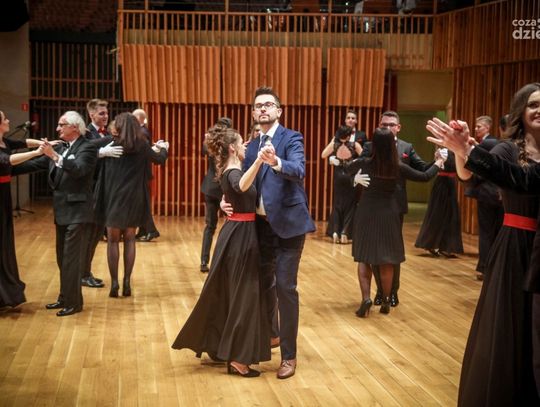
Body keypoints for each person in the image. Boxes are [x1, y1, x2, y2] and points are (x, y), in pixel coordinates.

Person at [425, 82, 540, 405]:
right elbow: (469, 176)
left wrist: (468, 151)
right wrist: (462, 151)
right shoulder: (508, 149)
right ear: (521, 111)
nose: (539, 110)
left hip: (539, 248)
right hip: (516, 245)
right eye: (533, 104)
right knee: (510, 325)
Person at [223, 86, 316, 379]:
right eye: (258, 106)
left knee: (285, 288)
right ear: (253, 113)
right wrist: (226, 200)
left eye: (268, 104)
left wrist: (275, 161)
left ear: (279, 111)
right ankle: (271, 335)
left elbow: (298, 169)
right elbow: (240, 179)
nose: (263, 109)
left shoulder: (292, 138)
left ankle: (289, 356)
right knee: (262, 287)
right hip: (260, 228)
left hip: (289, 227)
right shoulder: (250, 146)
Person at [172, 126, 271, 377]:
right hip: (240, 236)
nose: (246, 146)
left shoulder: (231, 166)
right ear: (232, 149)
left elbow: (235, 190)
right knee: (244, 296)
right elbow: (240, 186)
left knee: (232, 293)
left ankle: (221, 347)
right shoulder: (234, 171)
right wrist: (259, 160)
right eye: (241, 143)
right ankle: (238, 359)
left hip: (238, 232)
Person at [347, 127, 444, 317]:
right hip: (389, 214)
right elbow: (424, 176)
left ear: (374, 144)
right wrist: (439, 163)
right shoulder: (398, 166)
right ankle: (385, 300)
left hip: (366, 212)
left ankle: (366, 298)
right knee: (387, 259)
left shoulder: (365, 163)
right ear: (392, 144)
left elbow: (347, 168)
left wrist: (355, 178)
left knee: (364, 258)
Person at [13, 111, 98, 316]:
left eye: (62, 125)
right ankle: (64, 297)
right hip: (62, 212)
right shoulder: (60, 147)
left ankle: (74, 303)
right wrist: (6, 166)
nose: (57, 128)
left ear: (75, 127)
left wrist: (53, 155)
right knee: (62, 258)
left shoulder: (87, 147)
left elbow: (79, 169)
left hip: (78, 211)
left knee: (71, 259)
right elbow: (34, 164)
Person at [93, 112, 168, 297]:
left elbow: (86, 148)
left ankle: (114, 284)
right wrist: (163, 148)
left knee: (112, 241)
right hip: (134, 198)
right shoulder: (141, 144)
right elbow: (159, 159)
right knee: (130, 240)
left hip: (113, 198)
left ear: (117, 126)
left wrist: (101, 153)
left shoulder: (110, 142)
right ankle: (127, 282)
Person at [362, 111, 432, 307]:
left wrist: (438, 160)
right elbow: (359, 167)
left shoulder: (406, 147)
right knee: (376, 251)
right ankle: (380, 292)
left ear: (398, 127)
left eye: (391, 125)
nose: (388, 128)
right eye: (384, 125)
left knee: (392, 251)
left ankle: (393, 292)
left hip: (395, 206)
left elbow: (422, 168)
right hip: (374, 206)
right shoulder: (370, 146)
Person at [0, 110, 47, 309]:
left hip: (3, 196)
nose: (8, 120)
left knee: (4, 242)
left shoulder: (4, 141)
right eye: (5, 118)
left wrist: (44, 143)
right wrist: (37, 153)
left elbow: (24, 142)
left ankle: (5, 293)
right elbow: (6, 160)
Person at [464, 115, 503, 280]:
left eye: (479, 126)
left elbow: (480, 168)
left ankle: (484, 267)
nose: (476, 129)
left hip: (487, 193)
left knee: (486, 232)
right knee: (496, 232)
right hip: (500, 194)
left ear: (488, 127)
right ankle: (494, 267)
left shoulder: (489, 143)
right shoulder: (497, 143)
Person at [81, 98, 110, 288]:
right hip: (91, 190)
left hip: (104, 190)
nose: (106, 116)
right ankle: (83, 273)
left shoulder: (106, 133)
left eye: (106, 113)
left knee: (97, 233)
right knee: (89, 234)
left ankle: (86, 272)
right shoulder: (86, 133)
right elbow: (86, 154)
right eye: (101, 113)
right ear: (91, 114)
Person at [414, 148, 464, 258]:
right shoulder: (444, 151)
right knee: (437, 214)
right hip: (442, 185)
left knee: (451, 215)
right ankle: (431, 244)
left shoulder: (457, 152)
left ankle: (447, 247)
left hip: (451, 184)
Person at [200, 117, 232, 272]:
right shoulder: (229, 144)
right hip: (224, 189)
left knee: (210, 226)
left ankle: (204, 261)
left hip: (210, 189)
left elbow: (203, 151)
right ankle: (224, 262)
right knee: (230, 226)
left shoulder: (210, 143)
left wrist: (206, 139)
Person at [321, 125, 362, 243]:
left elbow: (323, 155)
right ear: (349, 136)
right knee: (350, 205)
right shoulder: (354, 145)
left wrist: (332, 158)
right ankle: (345, 232)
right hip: (351, 176)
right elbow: (365, 157)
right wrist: (356, 161)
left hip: (338, 176)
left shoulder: (334, 144)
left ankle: (335, 232)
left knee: (337, 204)